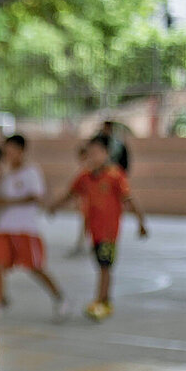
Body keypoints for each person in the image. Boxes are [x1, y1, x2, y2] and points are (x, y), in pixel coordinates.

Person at [48, 135, 147, 323]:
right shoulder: (85, 176)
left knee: (104, 266)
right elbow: (70, 194)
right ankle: (104, 300)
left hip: (109, 231)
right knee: (100, 264)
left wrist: (141, 222)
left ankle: (102, 301)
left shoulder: (115, 175)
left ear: (106, 153)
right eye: (90, 153)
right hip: (94, 230)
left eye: (96, 152)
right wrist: (54, 206)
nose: (92, 156)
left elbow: (129, 199)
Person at [0, 136, 67, 321]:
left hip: (25, 227)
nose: (8, 155)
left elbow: (35, 196)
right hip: (3, 227)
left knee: (35, 267)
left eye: (11, 151)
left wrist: (8, 202)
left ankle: (59, 297)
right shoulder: (5, 174)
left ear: (21, 150)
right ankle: (0, 301)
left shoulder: (31, 172)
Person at [66, 144, 90, 257]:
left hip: (95, 204)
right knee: (86, 223)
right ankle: (82, 244)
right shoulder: (83, 174)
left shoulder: (91, 173)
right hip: (87, 203)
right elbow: (75, 190)